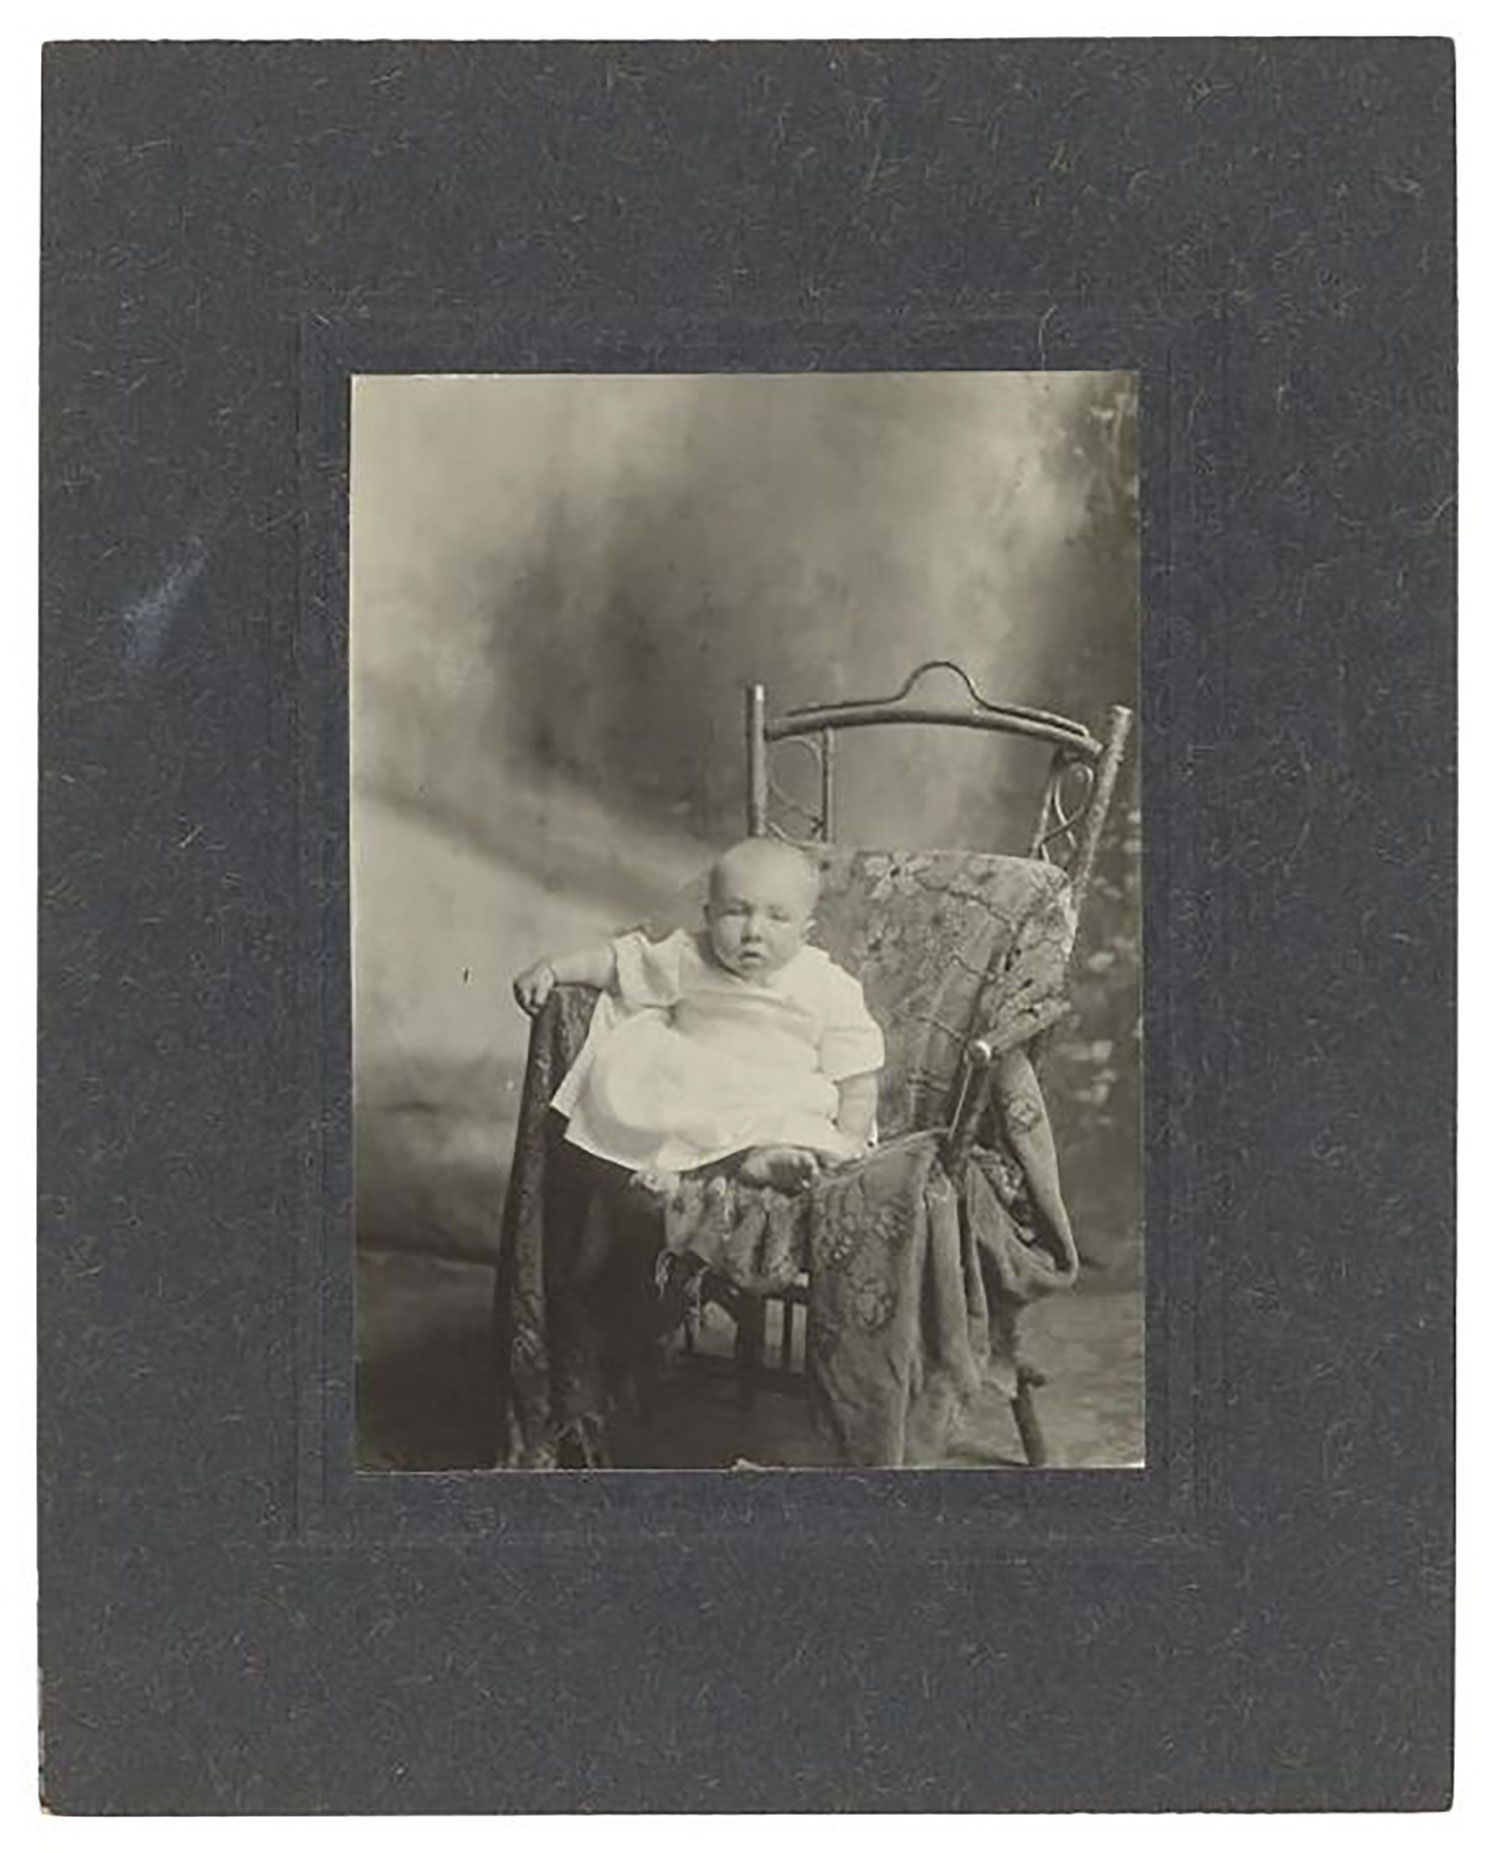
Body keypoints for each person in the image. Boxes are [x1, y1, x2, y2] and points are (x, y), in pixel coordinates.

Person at [512, 836, 884, 1196]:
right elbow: (619, 963)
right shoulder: (689, 955)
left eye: (777, 917)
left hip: (776, 1089)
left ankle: (758, 1160)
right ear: (709, 915)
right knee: (656, 1090)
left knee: (799, 1117)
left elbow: (856, 1072)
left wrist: (849, 1140)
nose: (754, 931)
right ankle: (677, 1173)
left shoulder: (827, 984)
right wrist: (554, 970)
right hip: (701, 1082)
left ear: (806, 932)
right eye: (736, 912)